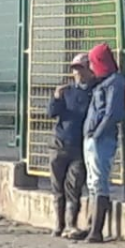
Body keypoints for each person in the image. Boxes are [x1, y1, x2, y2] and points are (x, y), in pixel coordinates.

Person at [77, 42, 125, 244]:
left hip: (102, 139)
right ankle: (91, 226)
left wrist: (96, 133)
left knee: (99, 182)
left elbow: (112, 113)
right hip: (91, 137)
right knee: (92, 183)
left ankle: (97, 230)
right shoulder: (102, 82)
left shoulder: (115, 83)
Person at [47, 53, 94, 238]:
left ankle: (71, 224)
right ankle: (58, 225)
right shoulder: (66, 91)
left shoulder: (94, 92)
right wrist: (56, 98)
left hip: (78, 147)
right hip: (59, 144)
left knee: (74, 187)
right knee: (57, 188)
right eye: (75, 69)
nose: (78, 73)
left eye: (81, 69)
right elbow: (51, 113)